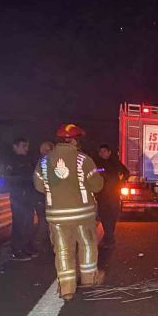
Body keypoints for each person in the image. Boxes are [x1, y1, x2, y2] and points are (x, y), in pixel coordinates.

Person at [33, 124, 104, 301]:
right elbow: (97, 185)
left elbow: (38, 185)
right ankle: (89, 279)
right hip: (82, 214)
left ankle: (67, 289)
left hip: (56, 216)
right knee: (87, 244)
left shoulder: (43, 161)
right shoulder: (83, 159)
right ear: (74, 140)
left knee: (63, 250)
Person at [5, 137, 37, 261]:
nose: (26, 149)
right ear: (15, 146)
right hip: (18, 196)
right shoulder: (10, 161)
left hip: (28, 195)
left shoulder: (28, 159)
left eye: (27, 146)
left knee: (29, 222)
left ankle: (26, 246)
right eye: (23, 146)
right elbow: (11, 179)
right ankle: (17, 249)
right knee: (19, 223)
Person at [94, 144, 130, 249]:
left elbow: (126, 172)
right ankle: (109, 237)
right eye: (100, 152)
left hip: (114, 193)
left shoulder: (115, 162)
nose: (102, 153)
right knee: (104, 216)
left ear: (109, 152)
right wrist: (101, 172)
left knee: (113, 215)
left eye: (104, 151)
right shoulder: (96, 163)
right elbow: (93, 172)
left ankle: (109, 236)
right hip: (102, 194)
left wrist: (121, 182)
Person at [33, 141, 55, 253]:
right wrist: (47, 193)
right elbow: (38, 182)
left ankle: (46, 244)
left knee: (48, 222)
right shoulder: (44, 163)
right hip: (43, 198)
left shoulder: (44, 163)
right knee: (44, 222)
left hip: (47, 198)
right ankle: (38, 243)